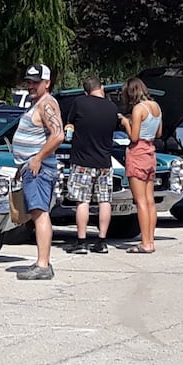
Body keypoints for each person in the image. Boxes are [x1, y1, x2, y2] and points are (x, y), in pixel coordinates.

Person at [12, 63, 64, 280]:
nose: (31, 85)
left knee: (40, 213)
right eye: (29, 81)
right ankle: (42, 263)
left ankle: (42, 265)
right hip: (33, 168)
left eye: (35, 82)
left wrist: (37, 159)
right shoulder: (39, 104)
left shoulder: (47, 105)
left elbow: (59, 135)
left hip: (39, 170)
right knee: (37, 213)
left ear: (47, 83)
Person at [65, 76, 121, 254]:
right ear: (102, 88)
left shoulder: (80, 102)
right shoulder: (112, 107)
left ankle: (81, 242)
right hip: (104, 161)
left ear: (85, 91)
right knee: (105, 200)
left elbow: (70, 123)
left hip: (82, 160)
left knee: (83, 201)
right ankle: (102, 241)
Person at [119, 77, 162, 253]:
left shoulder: (138, 109)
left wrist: (125, 123)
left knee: (140, 201)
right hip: (151, 152)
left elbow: (134, 137)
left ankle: (144, 243)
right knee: (150, 200)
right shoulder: (156, 107)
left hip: (137, 153)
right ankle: (150, 240)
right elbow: (159, 133)